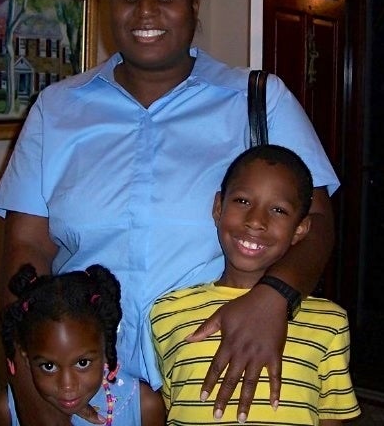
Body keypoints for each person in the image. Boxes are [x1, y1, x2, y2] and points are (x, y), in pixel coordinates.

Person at [0, 0, 339, 425]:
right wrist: (32, 390)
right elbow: (26, 249)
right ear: (109, 4)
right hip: (90, 392)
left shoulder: (259, 100)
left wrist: (274, 297)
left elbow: (317, 222)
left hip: (219, 378)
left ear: (195, 6)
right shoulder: (57, 109)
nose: (146, 10)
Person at [151, 144, 361, 425]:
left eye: (278, 210)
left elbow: (331, 419)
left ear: (300, 228)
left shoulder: (329, 323)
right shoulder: (167, 312)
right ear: (218, 207)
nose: (256, 221)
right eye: (242, 201)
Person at [0, 263, 140, 426]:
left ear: (106, 349)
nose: (67, 386)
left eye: (82, 363)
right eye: (48, 366)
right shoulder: (6, 411)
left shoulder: (141, 406)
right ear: (26, 357)